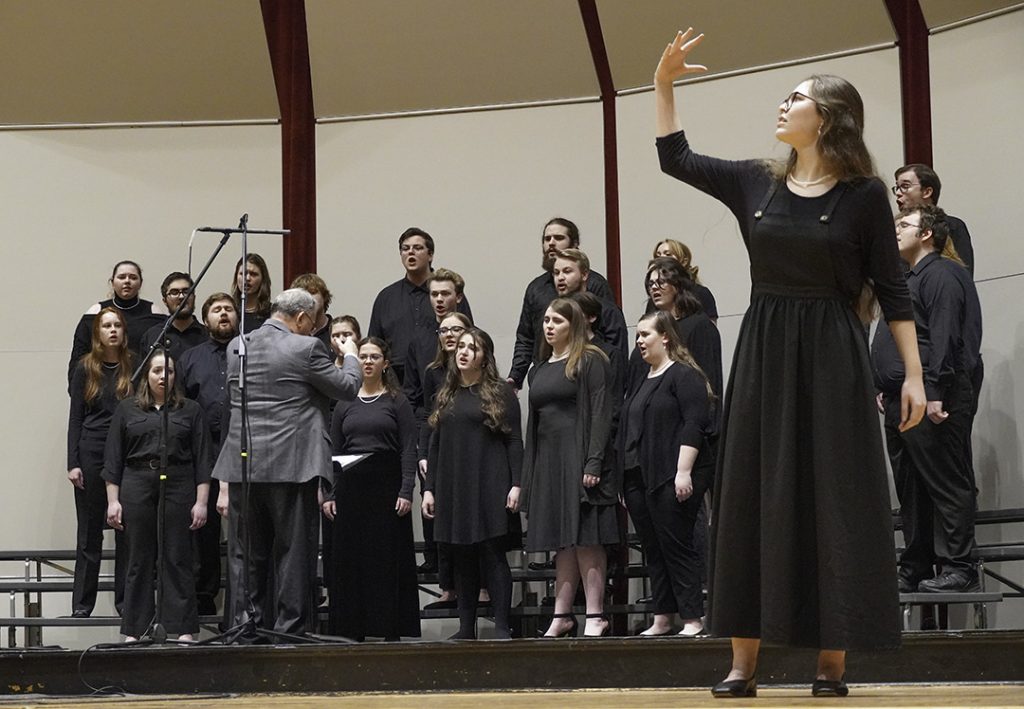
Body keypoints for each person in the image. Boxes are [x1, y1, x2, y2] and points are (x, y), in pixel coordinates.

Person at [654, 28, 926, 697]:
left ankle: (831, 664)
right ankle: (742, 663)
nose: (783, 106)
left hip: (833, 354)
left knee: (831, 499)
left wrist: (915, 374)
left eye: (795, 98)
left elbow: (892, 291)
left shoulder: (863, 195)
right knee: (752, 494)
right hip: (767, 353)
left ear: (828, 118)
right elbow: (676, 157)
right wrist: (663, 85)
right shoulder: (754, 180)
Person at [214, 289, 361, 636]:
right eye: (312, 323)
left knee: (246, 555)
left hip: (243, 464)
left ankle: (245, 628)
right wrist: (351, 355)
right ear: (301, 318)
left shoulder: (237, 347)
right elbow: (347, 388)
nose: (313, 330)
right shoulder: (306, 347)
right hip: (292, 466)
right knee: (293, 554)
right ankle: (288, 631)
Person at [873, 205, 980, 593]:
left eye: (904, 224)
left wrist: (933, 392)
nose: (895, 229)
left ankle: (959, 566)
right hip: (899, 398)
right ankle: (915, 563)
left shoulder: (943, 273)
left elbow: (946, 337)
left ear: (926, 234)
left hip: (934, 395)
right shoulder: (905, 278)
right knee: (911, 487)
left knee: (946, 482)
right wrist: (880, 385)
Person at [520, 298, 620, 638]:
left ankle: (595, 613)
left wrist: (593, 461)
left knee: (586, 539)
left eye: (557, 321)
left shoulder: (591, 360)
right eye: (546, 320)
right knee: (563, 541)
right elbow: (534, 427)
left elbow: (602, 412)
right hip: (549, 461)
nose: (549, 326)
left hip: (579, 459)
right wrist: (528, 478)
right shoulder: (540, 368)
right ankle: (561, 614)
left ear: (572, 325)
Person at [102, 350, 211, 642]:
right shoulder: (127, 410)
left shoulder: (190, 410)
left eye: (170, 371)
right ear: (146, 376)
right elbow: (113, 460)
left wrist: (201, 502)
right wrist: (113, 500)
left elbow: (202, 460)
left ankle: (183, 629)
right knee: (138, 558)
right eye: (157, 371)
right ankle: (135, 629)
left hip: (179, 482)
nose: (164, 377)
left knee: (178, 557)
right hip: (136, 482)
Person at [620, 311, 715, 637]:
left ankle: (692, 618)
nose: (639, 341)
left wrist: (683, 471)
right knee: (654, 547)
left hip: (671, 473)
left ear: (666, 337)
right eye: (637, 336)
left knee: (676, 545)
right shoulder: (641, 379)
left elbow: (694, 424)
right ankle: (663, 616)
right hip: (639, 476)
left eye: (645, 334)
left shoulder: (684, 376)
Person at [423, 328, 523, 639]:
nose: (464, 352)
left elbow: (515, 441)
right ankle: (466, 628)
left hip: (490, 482)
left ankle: (503, 626)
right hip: (455, 485)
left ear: (484, 357)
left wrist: (516, 484)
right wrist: (429, 488)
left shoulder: (500, 392)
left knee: (492, 555)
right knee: (461, 556)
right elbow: (435, 445)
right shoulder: (447, 393)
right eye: (461, 347)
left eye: (473, 348)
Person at [323, 337, 421, 641]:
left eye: (374, 356)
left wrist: (406, 490)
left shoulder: (397, 400)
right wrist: (330, 493)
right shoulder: (343, 402)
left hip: (387, 487)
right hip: (352, 488)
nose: (367, 361)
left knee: (386, 560)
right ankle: (353, 630)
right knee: (352, 561)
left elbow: (408, 449)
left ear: (385, 363)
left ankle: (388, 627)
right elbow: (334, 450)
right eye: (362, 356)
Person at [66, 307, 134, 617]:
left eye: (117, 324)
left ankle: (126, 604)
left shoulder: (134, 364)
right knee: (89, 533)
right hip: (91, 451)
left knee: (126, 532)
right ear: (98, 332)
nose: (112, 330)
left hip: (128, 452)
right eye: (106, 325)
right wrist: (73, 462)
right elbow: (76, 418)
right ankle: (82, 605)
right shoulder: (85, 367)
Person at [176, 292, 239, 616]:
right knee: (205, 528)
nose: (224, 314)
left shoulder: (249, 353)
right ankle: (205, 597)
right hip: (202, 451)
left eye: (229, 309)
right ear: (206, 319)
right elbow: (180, 404)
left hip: (245, 450)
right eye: (216, 310)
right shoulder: (190, 358)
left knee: (245, 527)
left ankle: (243, 602)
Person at [508, 218, 615, 389]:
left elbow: (612, 335)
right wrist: (515, 376)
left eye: (558, 238)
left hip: (584, 376)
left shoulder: (595, 284)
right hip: (544, 374)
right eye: (547, 239)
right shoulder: (536, 288)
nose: (551, 243)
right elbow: (526, 337)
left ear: (574, 243)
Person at [412, 311, 473, 605]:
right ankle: (448, 587)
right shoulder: (432, 372)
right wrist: (422, 453)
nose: (449, 335)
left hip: (468, 455)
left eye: (456, 329)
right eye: (444, 330)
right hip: (439, 450)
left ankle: (480, 587)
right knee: (440, 522)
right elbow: (426, 416)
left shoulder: (477, 370)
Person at [368, 228, 473, 384]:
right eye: (405, 248)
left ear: (430, 255)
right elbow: (375, 344)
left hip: (442, 376)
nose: (411, 252)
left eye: (417, 248)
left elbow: (469, 336)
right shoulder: (386, 297)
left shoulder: (448, 294)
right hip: (395, 380)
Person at [629, 257, 722, 402]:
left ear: (678, 285)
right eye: (651, 283)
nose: (654, 288)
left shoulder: (699, 326)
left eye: (661, 282)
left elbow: (709, 382)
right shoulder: (648, 328)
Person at [68, 260, 163, 387]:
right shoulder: (95, 312)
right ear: (112, 282)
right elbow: (78, 358)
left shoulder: (154, 313)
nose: (127, 281)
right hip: (101, 386)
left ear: (140, 283)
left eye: (133, 277)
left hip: (141, 387)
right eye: (122, 277)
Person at [894, 164, 974, 275]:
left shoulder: (953, 227)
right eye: (897, 187)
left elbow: (963, 273)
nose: (898, 193)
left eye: (905, 186)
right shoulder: (891, 228)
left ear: (927, 192)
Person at [551, 249, 628, 363]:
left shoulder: (607, 311)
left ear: (584, 275)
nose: (560, 277)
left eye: (567, 271)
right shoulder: (553, 311)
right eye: (556, 273)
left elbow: (617, 360)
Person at [139, 272, 208, 363]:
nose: (181, 296)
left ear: (194, 297)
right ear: (165, 301)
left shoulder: (208, 335)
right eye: (174, 292)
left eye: (186, 291)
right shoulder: (153, 336)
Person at [652, 239, 718, 321]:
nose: (661, 258)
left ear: (684, 261)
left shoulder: (701, 293)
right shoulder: (656, 295)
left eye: (668, 254)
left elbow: (710, 330)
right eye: (657, 256)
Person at [291, 273, 334, 352]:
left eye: (313, 292)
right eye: (303, 294)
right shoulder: (290, 333)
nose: (309, 298)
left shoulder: (336, 330)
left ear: (324, 297)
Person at [231, 253, 272, 334]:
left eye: (253, 274)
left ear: (262, 280)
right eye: (243, 274)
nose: (247, 278)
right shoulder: (230, 311)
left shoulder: (273, 313)